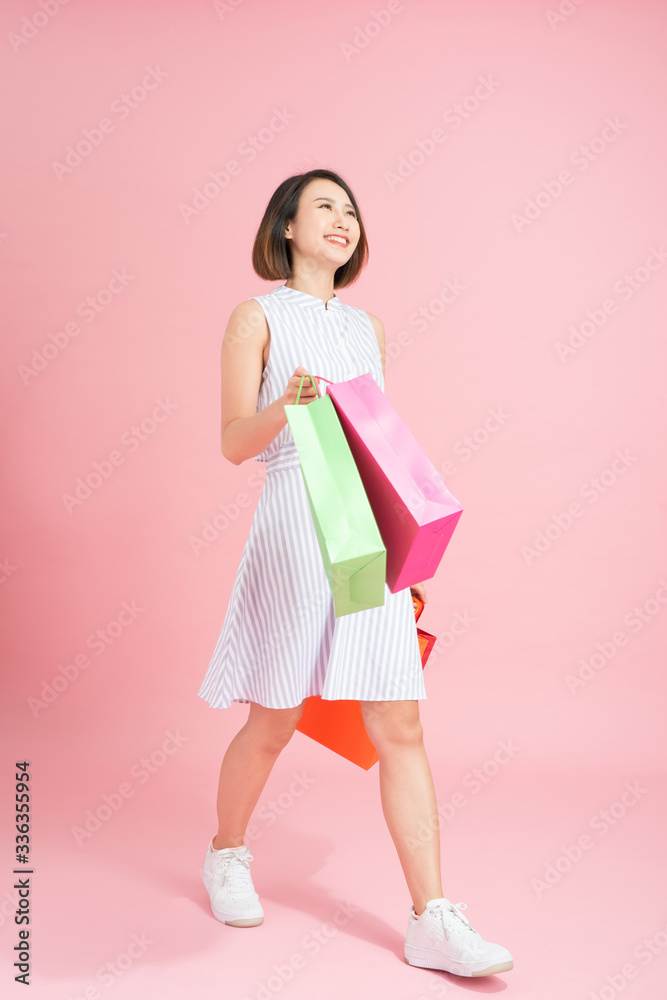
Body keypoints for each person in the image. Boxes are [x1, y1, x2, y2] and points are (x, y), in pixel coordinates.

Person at [197, 169, 513, 978]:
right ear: (288, 228)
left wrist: (401, 556)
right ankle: (226, 853)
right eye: (323, 208)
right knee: (272, 717)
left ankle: (430, 917)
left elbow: (375, 453)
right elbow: (235, 440)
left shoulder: (366, 328)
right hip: (293, 521)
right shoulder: (254, 315)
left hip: (361, 532)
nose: (341, 221)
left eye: (350, 210)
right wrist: (288, 406)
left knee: (399, 723)